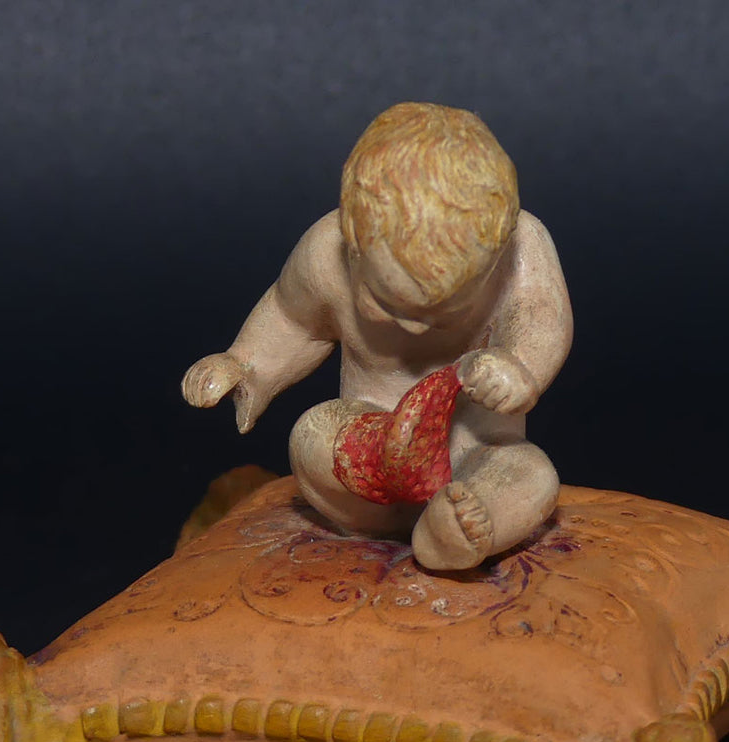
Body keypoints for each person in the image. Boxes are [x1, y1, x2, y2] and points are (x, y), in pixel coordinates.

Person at [181, 102, 572, 570]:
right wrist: (242, 363)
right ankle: (372, 514)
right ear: (353, 244)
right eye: (387, 304)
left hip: (475, 445)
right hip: (366, 434)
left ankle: (458, 530)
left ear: (497, 255)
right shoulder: (326, 252)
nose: (415, 326)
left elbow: (542, 319)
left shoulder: (523, 248)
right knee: (311, 437)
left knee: (532, 475)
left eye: (445, 311)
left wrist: (520, 368)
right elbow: (291, 319)